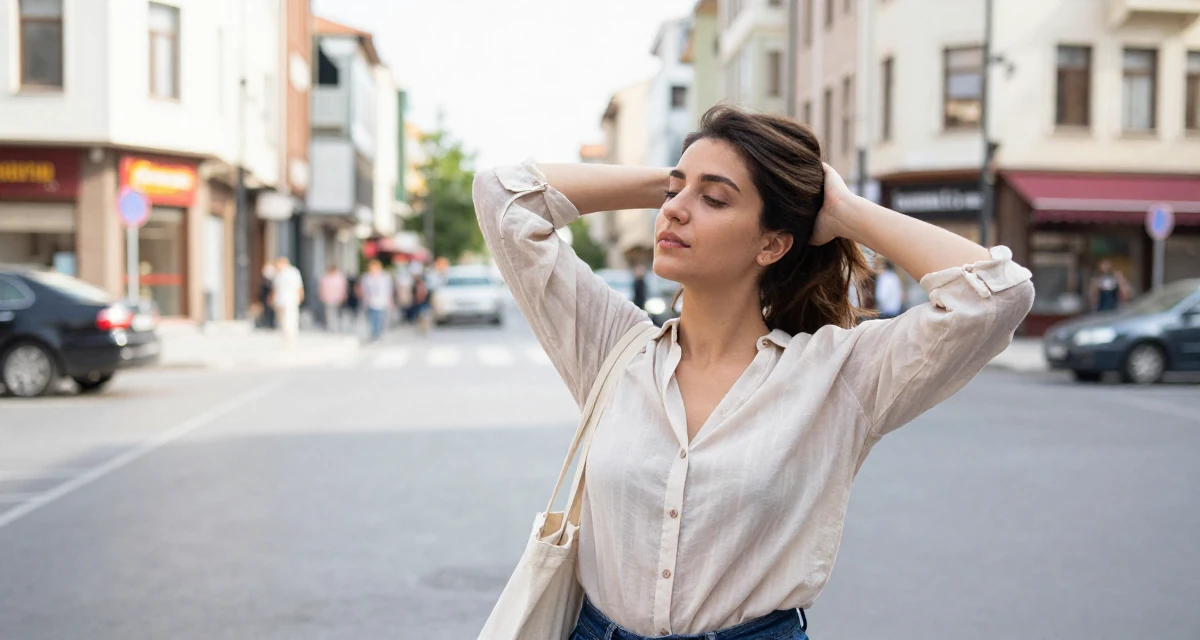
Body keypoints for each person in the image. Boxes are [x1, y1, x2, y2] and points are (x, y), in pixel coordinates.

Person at [473, 105, 1034, 639]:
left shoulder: (837, 376)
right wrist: (673, 181)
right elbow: (503, 197)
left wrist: (842, 211)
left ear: (772, 243)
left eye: (715, 199)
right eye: (675, 193)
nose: (673, 210)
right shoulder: (613, 350)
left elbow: (996, 296)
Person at [270, 256, 303, 347]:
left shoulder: (293, 272)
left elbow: (298, 286)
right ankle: (285, 336)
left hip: (291, 299)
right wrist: (272, 298)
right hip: (280, 300)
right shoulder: (278, 274)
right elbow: (275, 288)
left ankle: (291, 336)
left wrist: (300, 297)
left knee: (290, 318)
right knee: (281, 319)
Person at [358, 259, 393, 342]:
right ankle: (374, 334)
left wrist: (390, 300)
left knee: (380, 318)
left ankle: (378, 333)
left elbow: (388, 289)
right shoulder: (366, 277)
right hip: (370, 301)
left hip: (381, 301)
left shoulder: (384, 277)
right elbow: (363, 289)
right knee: (372, 318)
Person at [318, 264, 348, 332]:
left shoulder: (339, 277)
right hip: (328, 298)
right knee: (329, 313)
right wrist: (322, 295)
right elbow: (322, 287)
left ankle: (336, 326)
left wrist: (343, 295)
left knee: (336, 313)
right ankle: (330, 327)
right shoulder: (325, 277)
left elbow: (343, 287)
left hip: (337, 298)